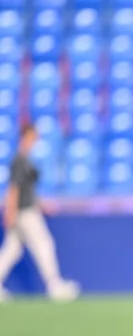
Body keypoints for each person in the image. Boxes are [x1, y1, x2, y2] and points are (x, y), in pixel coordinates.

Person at [0, 124, 80, 302]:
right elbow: (14, 189)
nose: (35, 140)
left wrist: (42, 204)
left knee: (12, 250)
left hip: (27, 209)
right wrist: (10, 212)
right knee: (44, 244)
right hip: (25, 212)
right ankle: (54, 285)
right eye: (33, 136)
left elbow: (28, 190)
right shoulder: (19, 161)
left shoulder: (26, 160)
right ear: (26, 136)